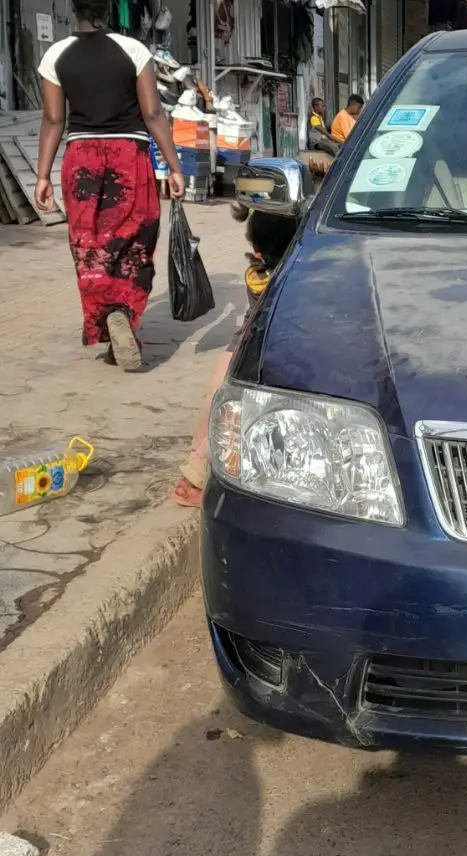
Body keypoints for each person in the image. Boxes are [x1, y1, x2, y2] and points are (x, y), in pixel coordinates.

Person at [172, 151, 332, 506]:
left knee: (223, 377)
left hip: (253, 335)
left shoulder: (258, 273)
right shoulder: (306, 275)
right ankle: (200, 474)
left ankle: (195, 469)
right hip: (273, 343)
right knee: (236, 393)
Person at [34, 0, 185, 372]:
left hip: (81, 158)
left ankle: (105, 315)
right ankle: (124, 311)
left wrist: (41, 175)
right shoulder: (133, 50)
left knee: (90, 244)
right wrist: (175, 166)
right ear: (109, 8)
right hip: (128, 155)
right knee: (136, 237)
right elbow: (153, 113)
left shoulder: (56, 54)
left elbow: (54, 120)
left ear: (73, 8)